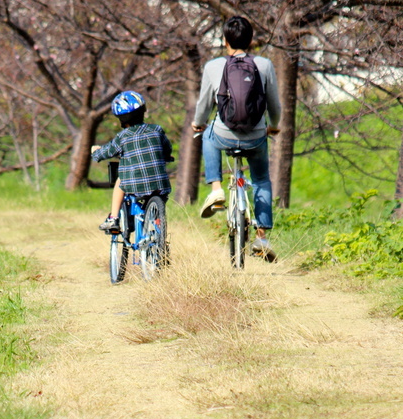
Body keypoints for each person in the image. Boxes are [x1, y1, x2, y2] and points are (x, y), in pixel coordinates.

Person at [192, 15, 281, 260]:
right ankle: (261, 237)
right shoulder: (264, 65)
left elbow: (203, 104)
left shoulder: (212, 66)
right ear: (251, 40)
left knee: (207, 134)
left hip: (224, 135)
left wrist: (198, 124)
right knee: (261, 179)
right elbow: (274, 105)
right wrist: (273, 126)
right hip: (255, 137)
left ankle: (217, 189)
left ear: (225, 40)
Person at [92, 91, 173, 233]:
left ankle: (114, 218)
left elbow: (107, 151)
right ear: (143, 111)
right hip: (160, 184)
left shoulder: (123, 136)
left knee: (120, 181)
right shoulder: (157, 130)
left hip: (133, 184)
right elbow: (167, 148)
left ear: (121, 119)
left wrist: (96, 152)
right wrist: (165, 156)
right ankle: (158, 230)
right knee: (158, 201)